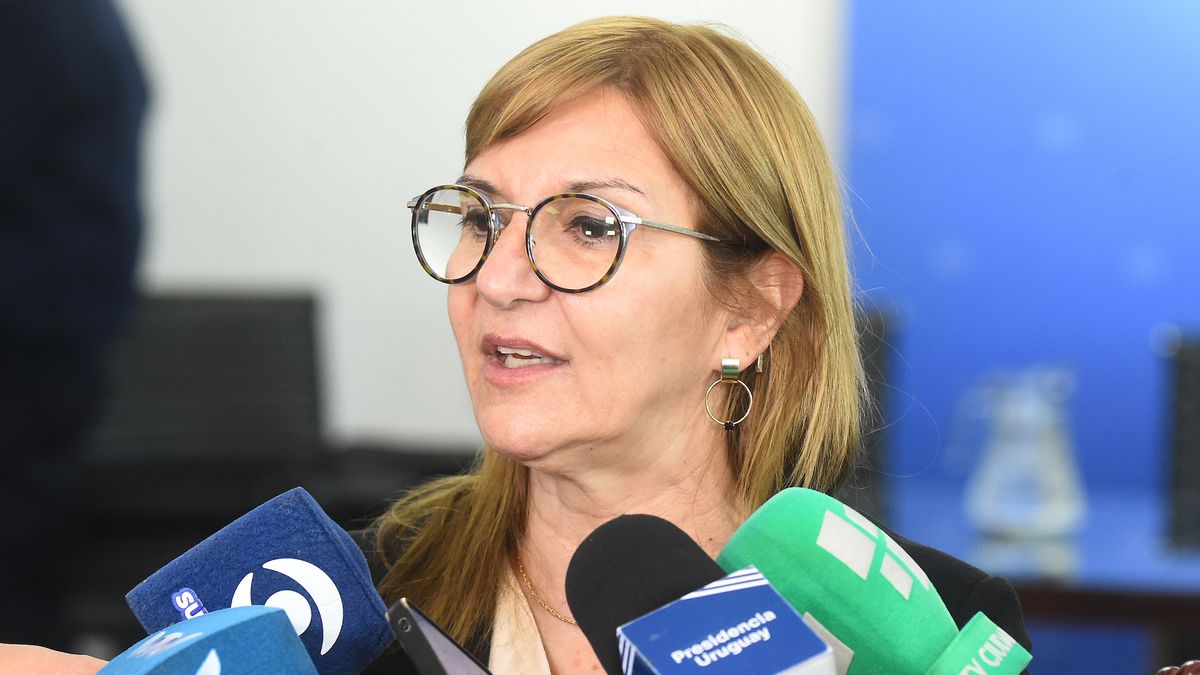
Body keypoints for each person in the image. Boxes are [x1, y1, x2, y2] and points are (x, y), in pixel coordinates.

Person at [0, 15, 1029, 674]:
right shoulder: (337, 614)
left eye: (586, 226)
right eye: (480, 216)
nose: (497, 276)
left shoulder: (931, 627)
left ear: (751, 311)